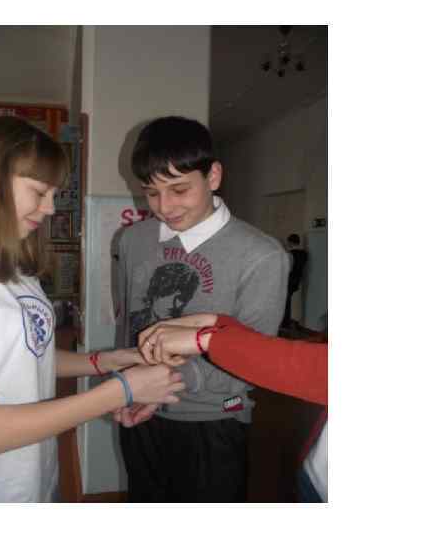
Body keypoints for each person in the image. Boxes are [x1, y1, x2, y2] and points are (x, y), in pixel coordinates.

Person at [0, 116, 185, 503]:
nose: (51, 208)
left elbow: (25, 355)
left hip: (34, 479)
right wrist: (122, 390)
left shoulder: (13, 270)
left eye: (54, 193)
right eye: (40, 191)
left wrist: (105, 361)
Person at [114, 116, 290, 502]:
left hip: (212, 422)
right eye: (151, 193)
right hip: (140, 411)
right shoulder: (132, 241)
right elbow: (129, 322)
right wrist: (127, 383)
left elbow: (254, 361)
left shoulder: (262, 256)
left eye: (179, 189)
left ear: (213, 176)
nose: (165, 206)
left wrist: (161, 383)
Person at [136, 313, 327, 502]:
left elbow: (315, 368)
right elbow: (263, 343)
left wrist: (206, 339)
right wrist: (209, 322)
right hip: (315, 473)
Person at [282, 233, 308, 328]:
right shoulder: (304, 254)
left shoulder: (289, 254)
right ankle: (287, 322)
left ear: (291, 242)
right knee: (288, 301)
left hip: (288, 280)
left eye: (288, 242)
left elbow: (287, 269)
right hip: (297, 280)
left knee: (285, 302)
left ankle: (285, 323)